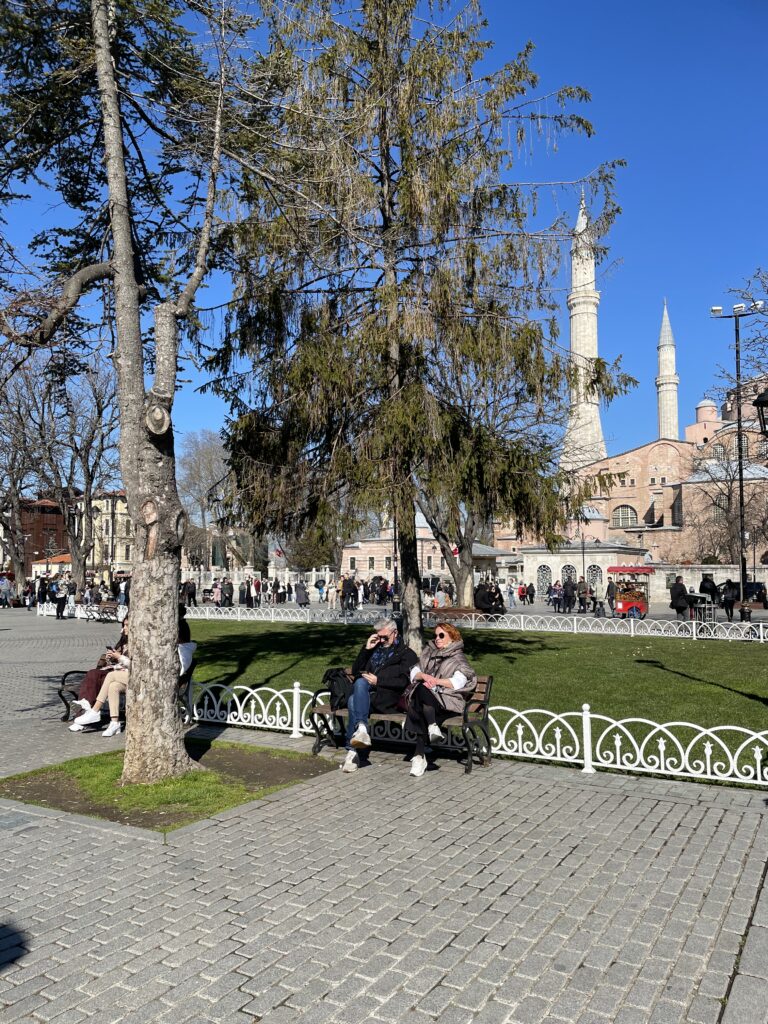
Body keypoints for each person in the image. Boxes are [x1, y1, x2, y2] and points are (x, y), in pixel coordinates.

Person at [341, 618, 417, 774]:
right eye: (378, 637)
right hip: (367, 694)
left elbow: (404, 682)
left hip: (389, 697)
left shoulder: (406, 654)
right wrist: (366, 649)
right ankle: (360, 732)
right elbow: (356, 671)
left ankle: (353, 749)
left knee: (352, 700)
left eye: (385, 637)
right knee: (360, 684)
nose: (381, 640)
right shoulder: (374, 649)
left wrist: (378, 681)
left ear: (395, 633)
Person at [404, 622, 476, 778]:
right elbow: (415, 671)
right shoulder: (429, 652)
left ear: (452, 637)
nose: (437, 638)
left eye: (441, 635)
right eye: (435, 635)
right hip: (429, 701)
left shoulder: (458, 658)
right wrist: (425, 676)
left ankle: (419, 756)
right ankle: (432, 727)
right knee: (422, 692)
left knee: (421, 696)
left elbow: (458, 682)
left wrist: (435, 682)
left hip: (448, 701)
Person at [71, 623, 131, 737]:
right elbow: (117, 663)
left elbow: (137, 665)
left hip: (133, 675)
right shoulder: (123, 642)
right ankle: (114, 723)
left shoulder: (141, 642)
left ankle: (93, 711)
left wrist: (119, 657)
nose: (123, 629)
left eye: (127, 625)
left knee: (108, 675)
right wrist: (111, 658)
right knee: (113, 686)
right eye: (123, 625)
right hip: (120, 675)